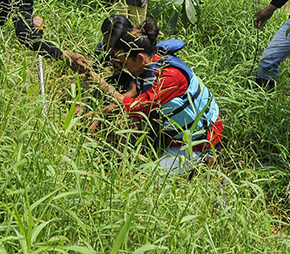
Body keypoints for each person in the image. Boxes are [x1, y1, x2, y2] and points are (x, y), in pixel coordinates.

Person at [86, 27, 223, 177]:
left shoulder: (170, 77)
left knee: (151, 180)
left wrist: (99, 82)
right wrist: (101, 113)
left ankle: (206, 158)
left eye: (125, 63)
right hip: (175, 137)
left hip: (199, 142)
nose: (124, 68)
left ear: (139, 58)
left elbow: (135, 106)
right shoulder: (152, 63)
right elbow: (136, 98)